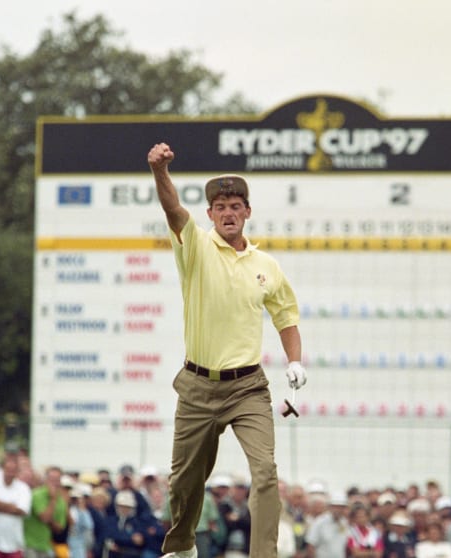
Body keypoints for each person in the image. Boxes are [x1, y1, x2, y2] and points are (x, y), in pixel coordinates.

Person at [148, 143, 307, 558]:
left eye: (236, 205)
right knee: (183, 481)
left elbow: (286, 315)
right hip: (198, 387)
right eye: (220, 206)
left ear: (248, 212)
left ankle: (264, 554)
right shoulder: (195, 248)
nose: (229, 212)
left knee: (266, 472)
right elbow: (172, 209)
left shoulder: (266, 265)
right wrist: (160, 171)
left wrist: (294, 361)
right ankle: (182, 546)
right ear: (210, 214)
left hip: (247, 388)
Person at [23, 467, 70, 558]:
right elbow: (44, 517)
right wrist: (52, 500)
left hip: (46, 545)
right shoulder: (36, 494)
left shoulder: (61, 500)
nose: (54, 483)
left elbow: (60, 528)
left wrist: (50, 521)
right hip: (29, 544)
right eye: (51, 479)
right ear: (46, 480)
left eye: (57, 480)